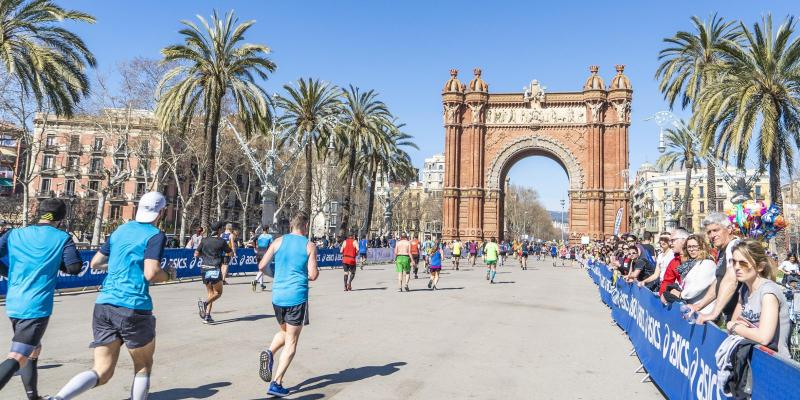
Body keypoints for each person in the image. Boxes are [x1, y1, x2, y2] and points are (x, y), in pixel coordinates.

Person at [51, 192, 170, 400]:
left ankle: (58, 398)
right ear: (161, 212)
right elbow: (152, 273)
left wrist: (119, 266)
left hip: (104, 304)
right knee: (143, 366)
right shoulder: (155, 235)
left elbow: (96, 262)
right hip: (133, 306)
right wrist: (169, 275)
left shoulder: (119, 230)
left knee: (101, 371)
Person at [0, 199, 83, 399]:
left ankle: (33, 396)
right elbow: (74, 267)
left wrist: (8, 272)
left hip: (14, 302)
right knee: (18, 355)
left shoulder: (15, 233)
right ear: (61, 219)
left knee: (33, 350)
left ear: (39, 213)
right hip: (36, 306)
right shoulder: (62, 238)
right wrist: (56, 264)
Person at [256, 212, 319, 397]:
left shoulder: (278, 241)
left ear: (291, 225)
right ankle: (276, 383)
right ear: (305, 226)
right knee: (292, 340)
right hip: (296, 297)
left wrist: (279, 275)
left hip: (278, 296)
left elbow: (261, 266)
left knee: (285, 332)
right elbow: (313, 274)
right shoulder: (309, 245)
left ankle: (269, 352)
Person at [726, 240, 791, 359]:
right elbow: (734, 321)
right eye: (734, 262)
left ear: (760, 267)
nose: (737, 267)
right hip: (750, 358)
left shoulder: (768, 293)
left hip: (775, 364)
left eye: (743, 263)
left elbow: (763, 337)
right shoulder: (744, 289)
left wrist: (736, 327)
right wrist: (736, 326)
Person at [693, 213, 740, 325]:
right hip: (731, 313)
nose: (712, 235)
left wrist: (714, 313)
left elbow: (731, 280)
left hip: (743, 316)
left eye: (716, 230)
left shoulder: (734, 246)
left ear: (729, 229)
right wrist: (699, 306)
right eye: (709, 232)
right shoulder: (722, 250)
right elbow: (719, 280)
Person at [661, 235, 717, 313]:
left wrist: (681, 294)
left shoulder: (708, 263)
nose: (691, 249)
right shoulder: (690, 264)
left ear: (701, 247)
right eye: (689, 247)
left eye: (694, 246)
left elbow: (697, 287)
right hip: (689, 308)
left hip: (703, 311)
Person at [195, 221, 232, 324]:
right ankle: (204, 303)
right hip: (214, 268)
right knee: (218, 293)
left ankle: (207, 316)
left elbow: (196, 253)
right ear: (219, 230)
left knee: (210, 293)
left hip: (204, 268)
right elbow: (230, 252)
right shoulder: (221, 241)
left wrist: (205, 256)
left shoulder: (204, 240)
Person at [659, 228, 688, 296]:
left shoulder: (698, 257)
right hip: (683, 302)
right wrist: (663, 294)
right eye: (669, 241)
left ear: (684, 240)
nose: (670, 243)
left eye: (673, 240)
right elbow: (667, 281)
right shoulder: (674, 261)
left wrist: (681, 294)